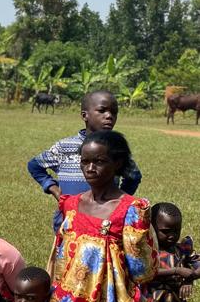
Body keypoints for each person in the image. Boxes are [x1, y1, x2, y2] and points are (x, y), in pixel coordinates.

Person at [50, 130, 157, 302]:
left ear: (118, 164)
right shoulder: (71, 204)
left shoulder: (131, 209)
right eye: (85, 162)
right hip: (71, 301)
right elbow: (61, 255)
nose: (90, 168)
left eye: (98, 162)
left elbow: (142, 267)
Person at [27, 89, 142, 232]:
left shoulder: (114, 148)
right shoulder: (65, 147)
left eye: (114, 112)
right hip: (68, 219)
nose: (109, 116)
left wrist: (119, 203)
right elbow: (35, 165)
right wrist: (55, 190)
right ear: (85, 115)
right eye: (102, 111)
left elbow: (134, 176)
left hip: (103, 222)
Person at [141, 202, 200, 302]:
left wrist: (191, 277)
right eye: (166, 232)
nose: (172, 236)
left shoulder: (181, 249)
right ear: (152, 228)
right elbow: (146, 272)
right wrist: (175, 271)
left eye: (176, 231)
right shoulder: (148, 250)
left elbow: (197, 263)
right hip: (154, 300)